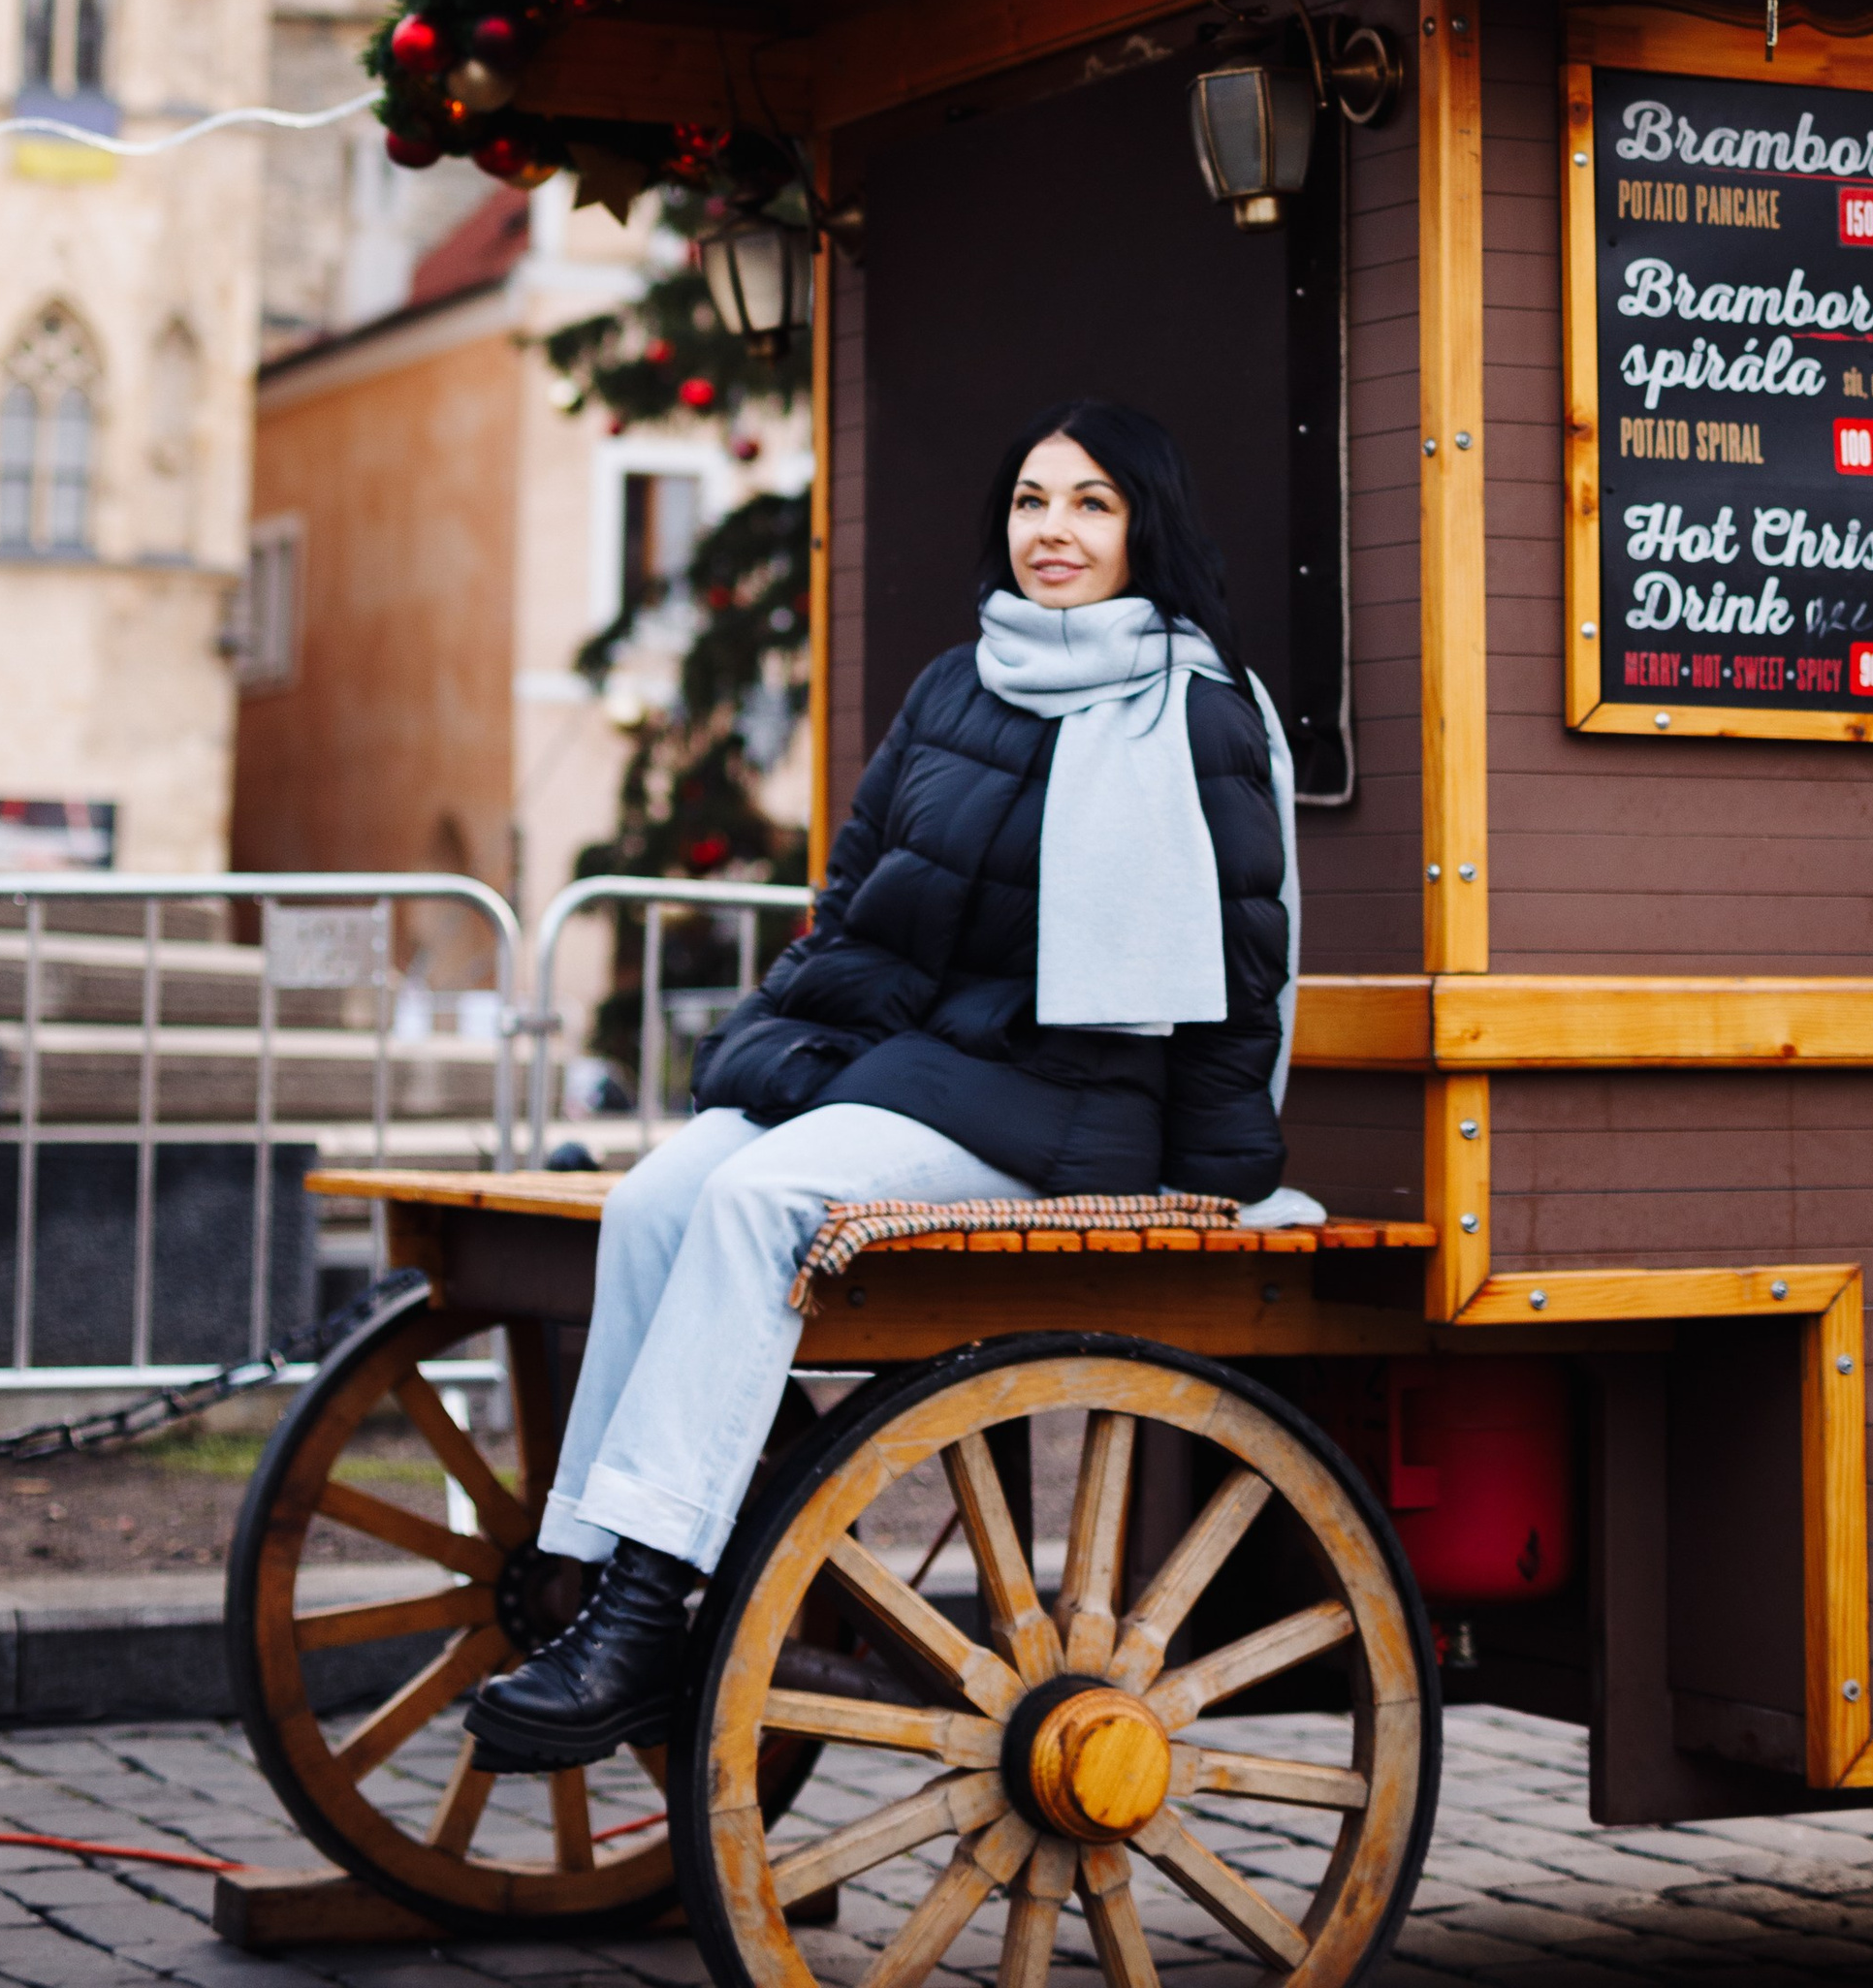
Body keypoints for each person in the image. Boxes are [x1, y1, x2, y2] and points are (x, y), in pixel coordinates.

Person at [465, 394, 1313, 1772]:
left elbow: (1243, 951)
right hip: (916, 1075)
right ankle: (594, 1578)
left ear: (1144, 527)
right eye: (1034, 500)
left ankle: (638, 1617)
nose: (1054, 530)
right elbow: (855, 900)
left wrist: (1219, 1177)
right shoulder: (956, 679)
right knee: (660, 1197)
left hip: (1067, 1107)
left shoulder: (1190, 711)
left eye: (1092, 503)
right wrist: (774, 1050)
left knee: (757, 1198)